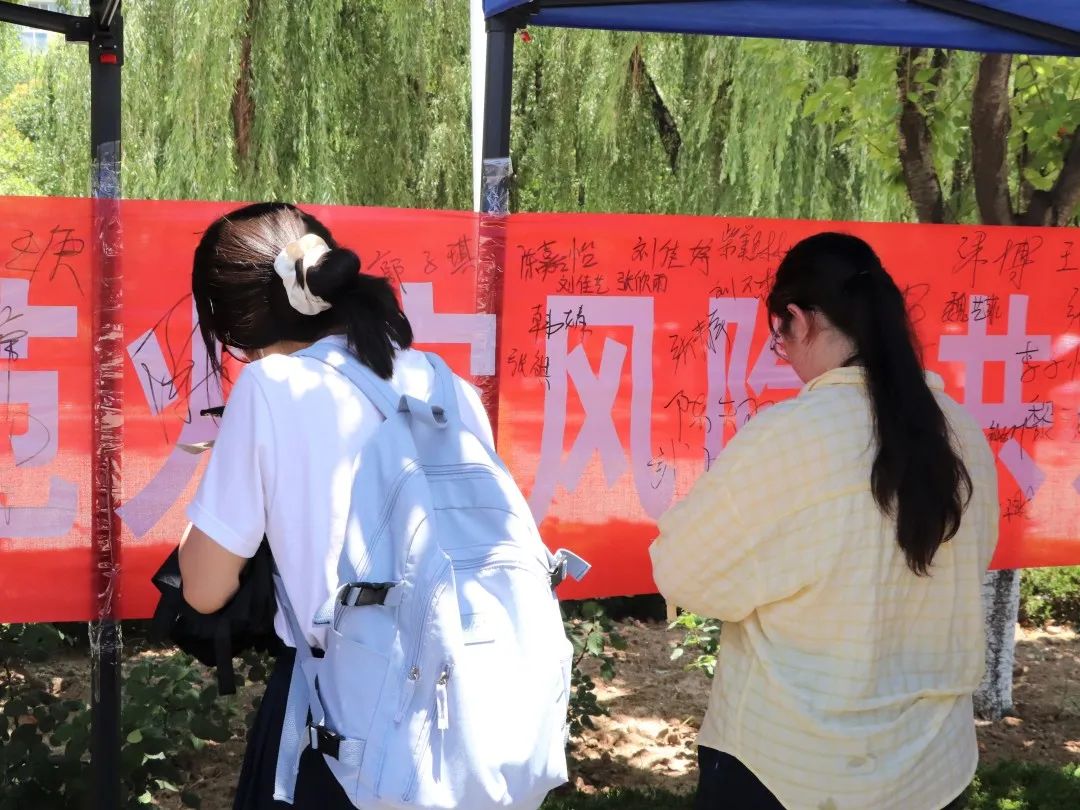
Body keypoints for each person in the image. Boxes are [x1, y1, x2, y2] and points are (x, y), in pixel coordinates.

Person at [650, 232, 999, 810]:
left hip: (789, 767)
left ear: (799, 319)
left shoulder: (792, 434)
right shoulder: (963, 434)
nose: (784, 355)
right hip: (933, 768)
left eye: (779, 337)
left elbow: (683, 572)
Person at [178, 202, 496, 809]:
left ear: (236, 327)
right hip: (461, 714)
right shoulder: (443, 381)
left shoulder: (272, 388)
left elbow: (205, 588)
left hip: (342, 723)